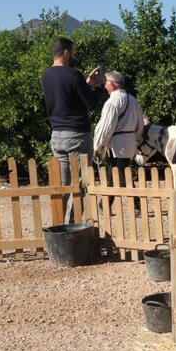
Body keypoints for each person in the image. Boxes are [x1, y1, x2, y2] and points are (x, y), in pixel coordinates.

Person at [41, 37, 105, 222]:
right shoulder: (73, 74)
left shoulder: (45, 76)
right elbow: (91, 102)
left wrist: (86, 83)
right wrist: (100, 84)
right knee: (82, 184)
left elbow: (66, 96)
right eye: (73, 52)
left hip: (56, 135)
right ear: (67, 52)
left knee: (62, 185)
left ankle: (58, 227)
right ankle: (73, 227)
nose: (74, 55)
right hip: (76, 134)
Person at [93, 71, 144, 184]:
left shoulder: (112, 101)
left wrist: (96, 145)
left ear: (111, 84)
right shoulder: (132, 99)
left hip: (117, 146)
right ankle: (109, 202)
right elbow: (140, 124)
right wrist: (135, 138)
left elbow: (106, 126)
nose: (105, 86)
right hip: (129, 143)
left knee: (119, 177)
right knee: (119, 177)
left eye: (106, 83)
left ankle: (134, 201)